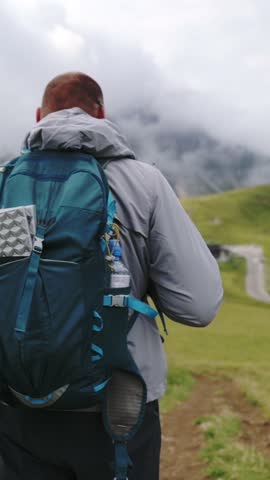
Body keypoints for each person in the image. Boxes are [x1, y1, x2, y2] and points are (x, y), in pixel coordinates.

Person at [0, 72, 223, 480]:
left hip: (16, 402)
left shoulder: (6, 181)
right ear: (101, 113)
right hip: (118, 409)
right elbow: (199, 305)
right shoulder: (144, 182)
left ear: (38, 116)